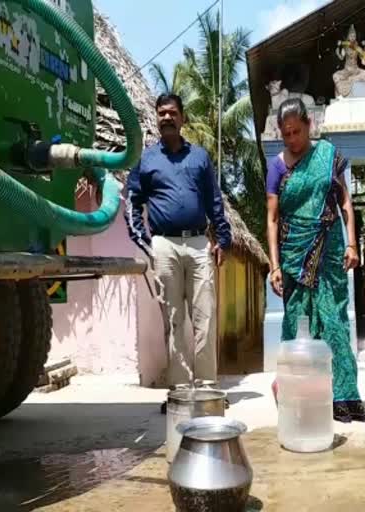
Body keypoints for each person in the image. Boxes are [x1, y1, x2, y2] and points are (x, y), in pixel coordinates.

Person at [126, 94, 231, 408]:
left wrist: (223, 239)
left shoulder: (199, 157)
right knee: (173, 320)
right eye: (161, 113)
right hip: (164, 245)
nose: (167, 118)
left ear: (183, 118)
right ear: (156, 119)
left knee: (206, 318)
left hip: (200, 244)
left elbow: (214, 201)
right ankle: (180, 393)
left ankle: (208, 389)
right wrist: (147, 243)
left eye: (172, 113)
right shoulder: (146, 160)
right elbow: (132, 202)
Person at [266, 98, 365, 423]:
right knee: (297, 320)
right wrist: (275, 265)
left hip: (331, 244)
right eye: (286, 134)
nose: (292, 139)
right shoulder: (277, 166)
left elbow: (345, 203)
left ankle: (344, 395)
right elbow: (272, 218)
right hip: (293, 250)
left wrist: (352, 243)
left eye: (297, 131)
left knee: (335, 317)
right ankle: (297, 392)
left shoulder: (327, 156)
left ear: (309, 125)